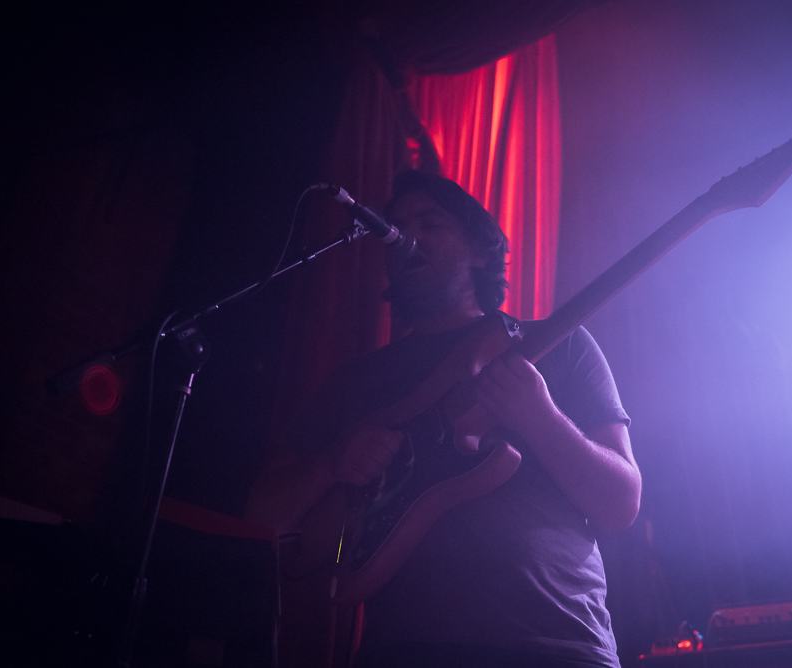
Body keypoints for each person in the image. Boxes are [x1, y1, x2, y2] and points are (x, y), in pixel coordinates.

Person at [247, 171, 641, 667]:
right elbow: (262, 520)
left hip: (559, 642)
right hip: (405, 649)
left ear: (480, 249)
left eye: (429, 222)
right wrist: (332, 462)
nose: (406, 236)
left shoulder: (559, 346)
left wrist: (540, 417)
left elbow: (621, 502)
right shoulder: (355, 382)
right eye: (395, 226)